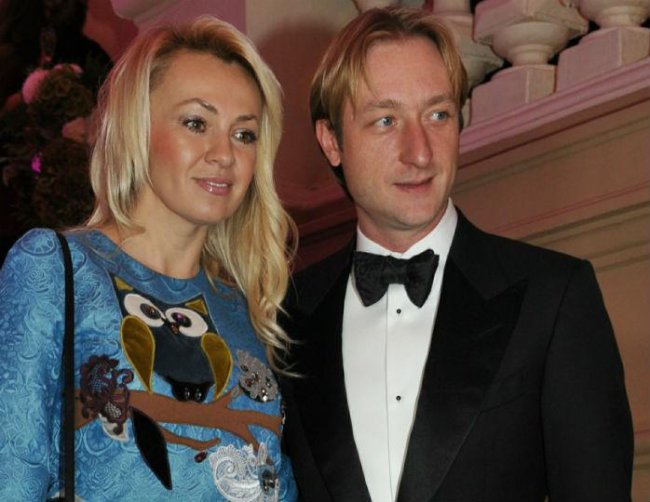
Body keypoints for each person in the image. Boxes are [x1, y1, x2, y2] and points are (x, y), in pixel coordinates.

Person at [280, 6, 633, 502]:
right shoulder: (284, 315)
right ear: (332, 141)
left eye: (438, 115)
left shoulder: (554, 299)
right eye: (386, 120)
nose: (420, 152)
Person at [0, 15, 297, 500]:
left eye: (245, 134)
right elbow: (11, 476)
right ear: (137, 129)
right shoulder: (55, 267)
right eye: (196, 123)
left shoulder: (241, 308)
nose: (224, 154)